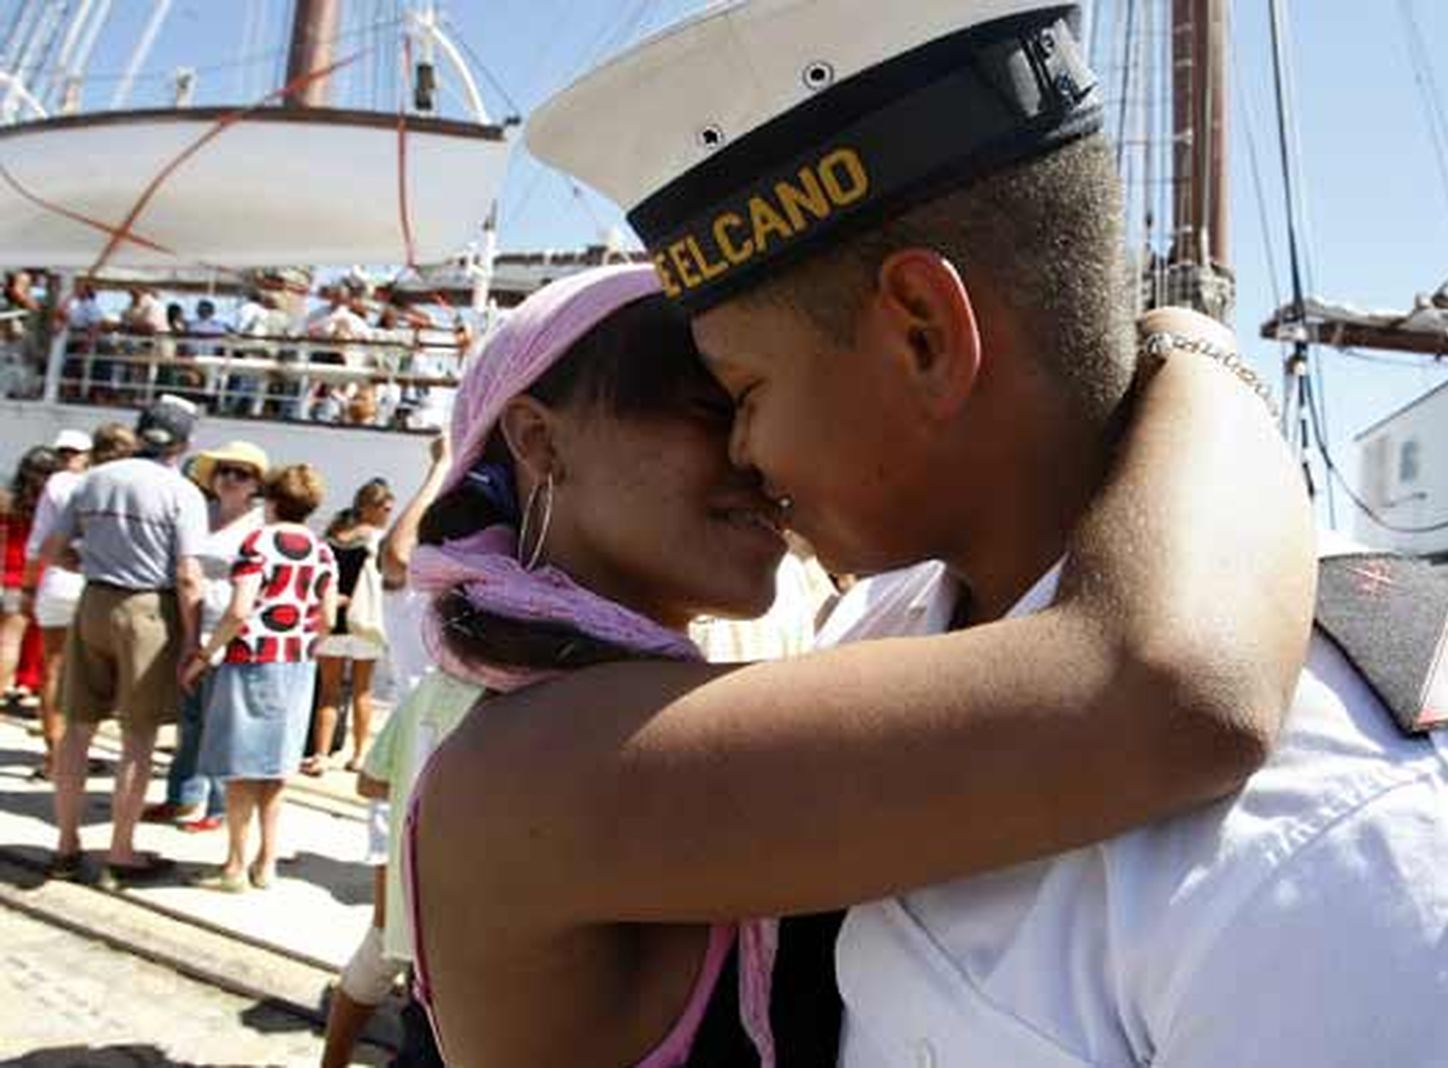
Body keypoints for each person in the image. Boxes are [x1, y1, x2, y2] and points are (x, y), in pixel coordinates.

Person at [511, 3, 1448, 1064]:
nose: (740, 451)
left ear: (924, 336)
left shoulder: (1375, 851)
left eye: (742, 389)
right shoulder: (888, 633)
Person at [403, 260, 1312, 1066]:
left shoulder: (561, 725)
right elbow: (1169, 692)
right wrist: (1193, 350)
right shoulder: (551, 763)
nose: (760, 458)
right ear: (539, 438)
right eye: (713, 408)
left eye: (758, 403)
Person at [319, 434, 451, 1068]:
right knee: (388, 939)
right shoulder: (420, 599)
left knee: (411, 947)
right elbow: (397, 554)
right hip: (411, 769)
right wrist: (443, 466)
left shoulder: (477, 607)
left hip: (433, 777)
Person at [41, 395, 207, 884]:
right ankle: (120, 851)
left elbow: (53, 549)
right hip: (148, 611)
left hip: (93, 600)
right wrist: (192, 642)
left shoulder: (94, 479)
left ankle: (66, 845)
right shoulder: (181, 493)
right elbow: (188, 574)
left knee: (77, 728)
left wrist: (89, 567)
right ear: (183, 443)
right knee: (138, 736)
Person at [183, 464, 337, 891]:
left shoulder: (258, 544)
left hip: (251, 659)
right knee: (276, 769)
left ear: (270, 500)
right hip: (298, 664)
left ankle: (234, 864)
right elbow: (327, 617)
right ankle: (267, 863)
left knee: (241, 769)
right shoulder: (322, 551)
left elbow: (238, 611)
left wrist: (205, 654)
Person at [143, 441, 270, 831]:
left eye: (241, 473)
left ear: (255, 484)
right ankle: (182, 794)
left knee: (222, 721)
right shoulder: (200, 513)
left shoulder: (260, 524)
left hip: (230, 631)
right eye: (224, 470)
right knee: (190, 718)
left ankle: (217, 806)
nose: (230, 478)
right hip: (189, 625)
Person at [24, 424, 136, 780]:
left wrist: (28, 588)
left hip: (57, 582)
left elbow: (39, 542)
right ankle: (79, 753)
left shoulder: (58, 484)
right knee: (99, 674)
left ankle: (57, 755)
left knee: (53, 670)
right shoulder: (116, 485)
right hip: (99, 585)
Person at [305, 478, 393, 775]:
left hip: (332, 620)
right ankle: (358, 756)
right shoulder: (379, 539)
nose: (389, 510)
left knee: (328, 692)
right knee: (362, 690)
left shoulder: (332, 536)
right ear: (370, 507)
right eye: (385, 506)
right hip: (364, 622)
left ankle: (320, 755)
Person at [0, 446, 63, 708]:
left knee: (8, 641)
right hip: (43, 576)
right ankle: (28, 684)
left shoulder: (8, 502)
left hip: (13, 575)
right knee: (43, 642)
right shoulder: (55, 504)